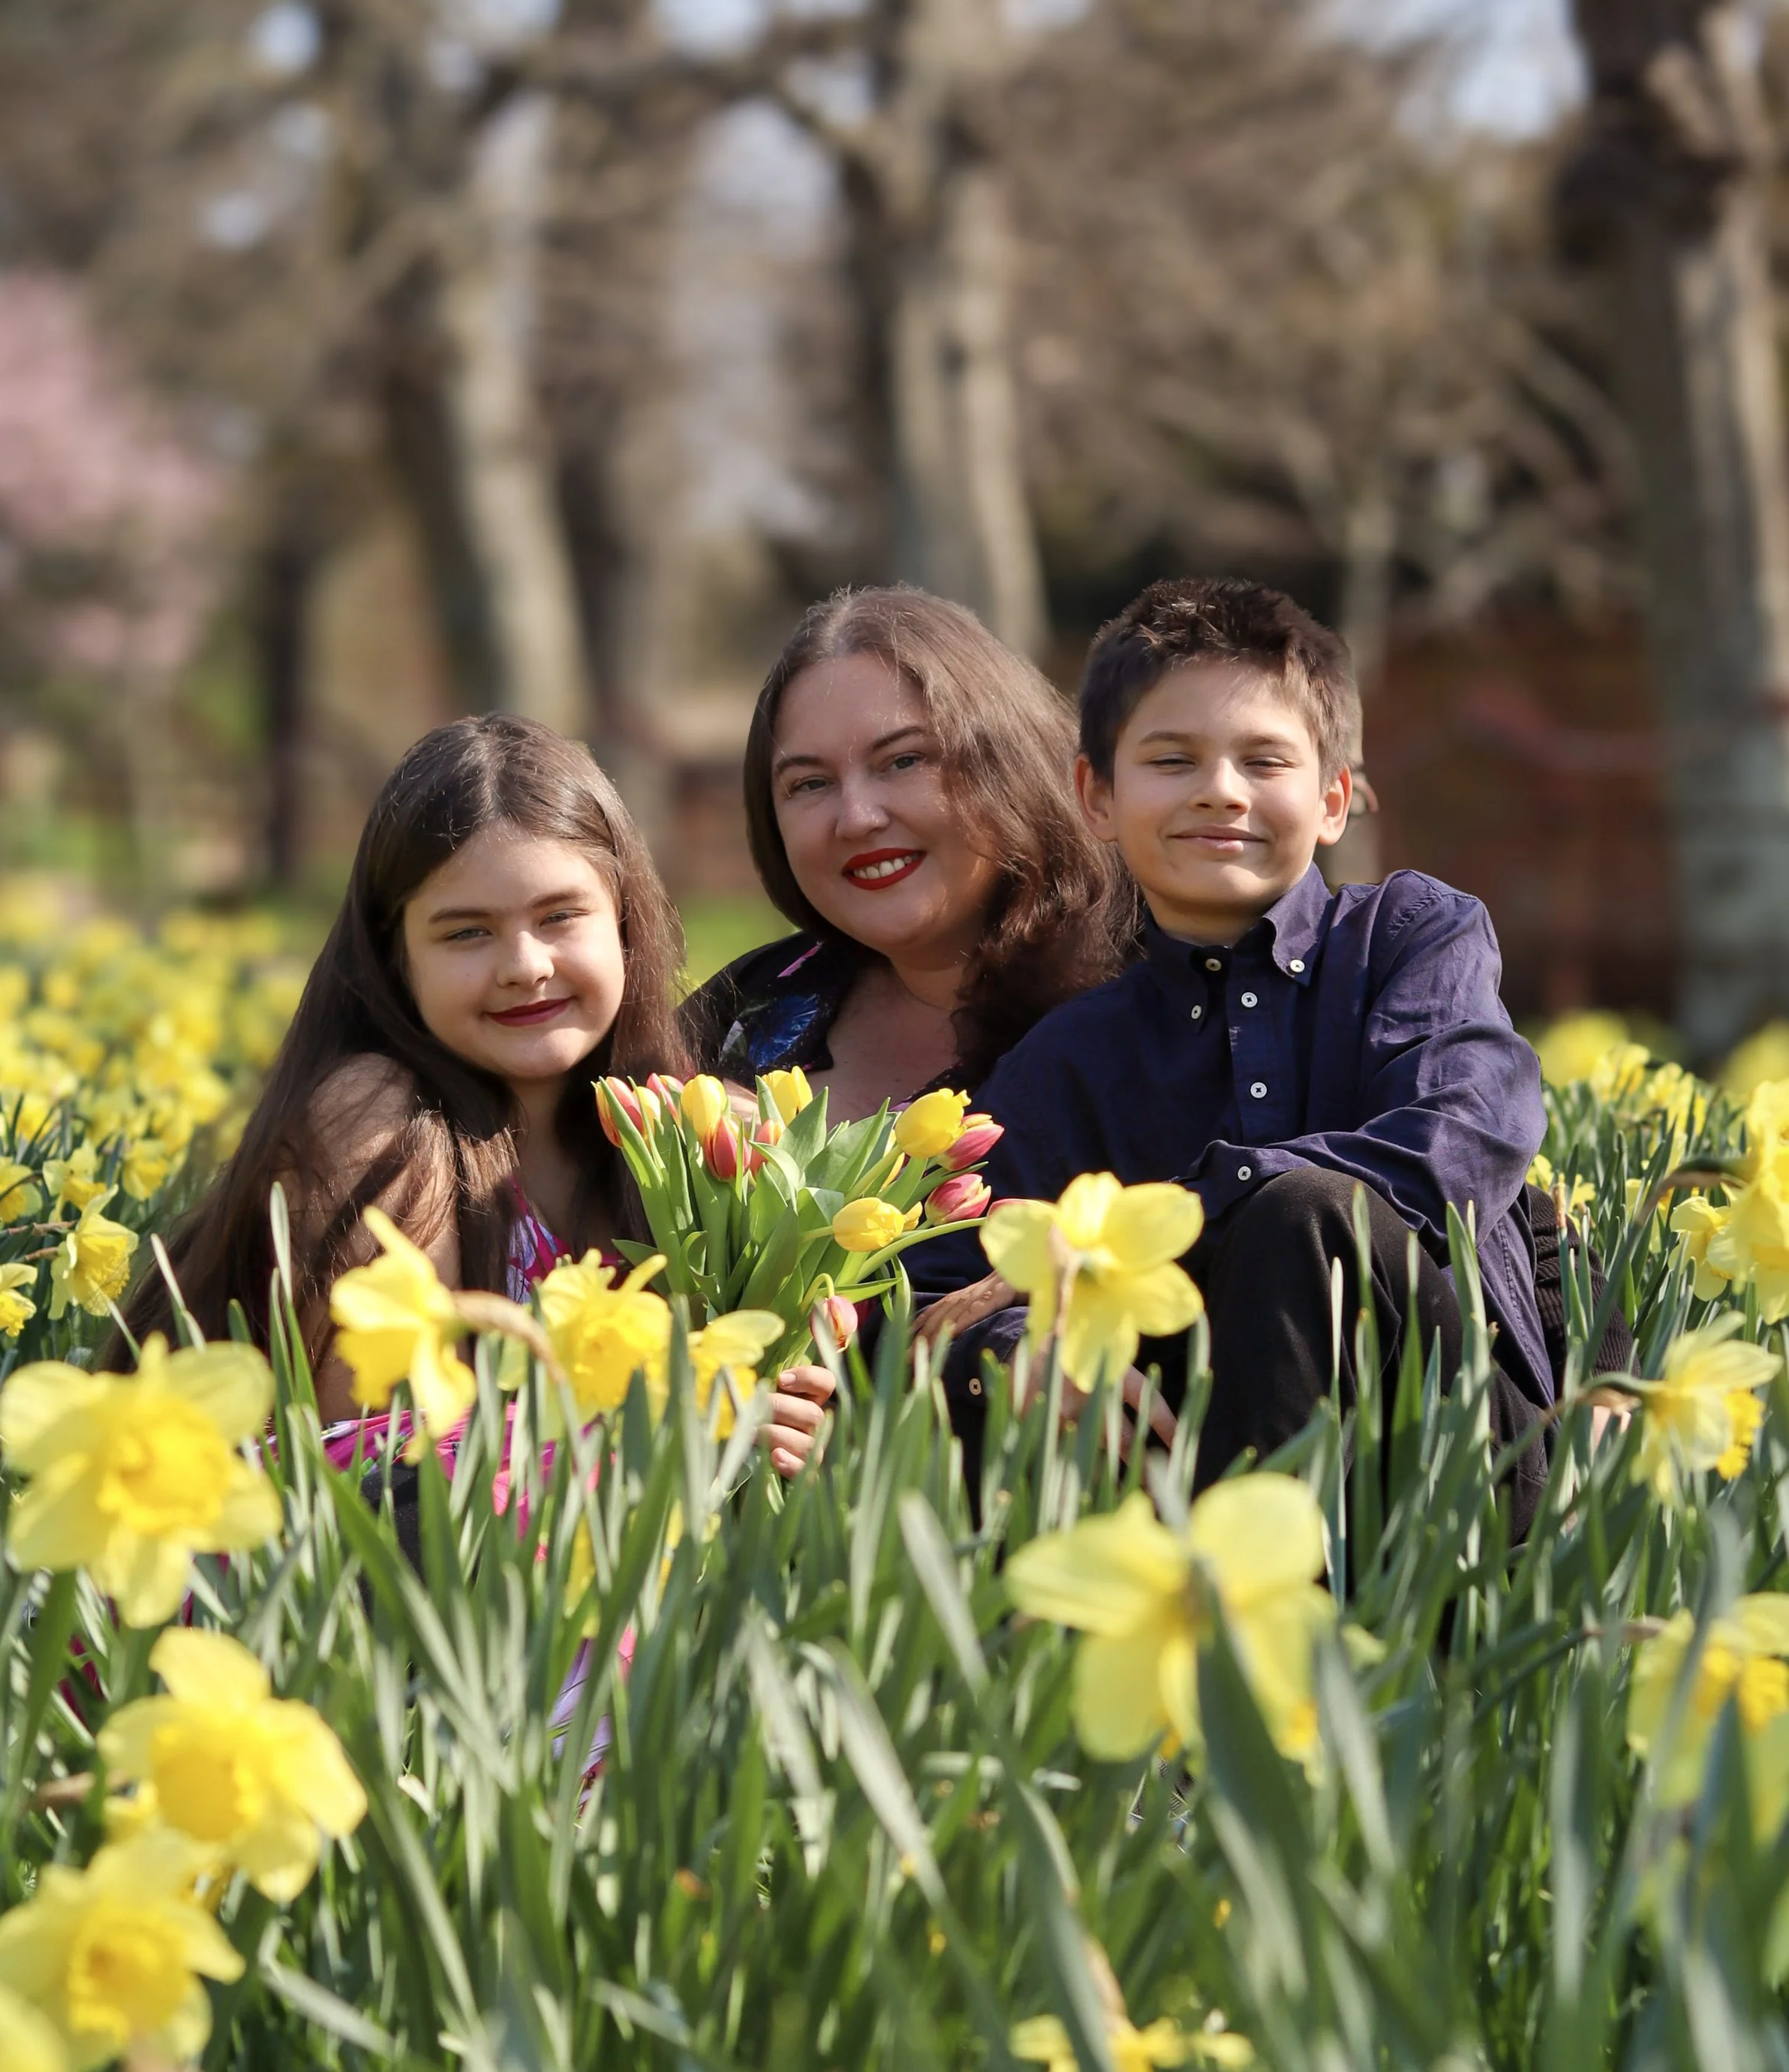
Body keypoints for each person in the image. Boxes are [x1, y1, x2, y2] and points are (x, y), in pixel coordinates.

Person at [917, 576, 1627, 1525]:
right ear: (1096, 795)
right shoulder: (1069, 1058)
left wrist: (1169, 1218)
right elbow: (956, 1285)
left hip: (1462, 1468)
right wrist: (1010, 1349)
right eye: (1172, 759)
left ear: (1334, 799)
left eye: (1264, 760)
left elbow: (1458, 1141)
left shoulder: (1410, 939)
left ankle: (1256, 1628)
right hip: (1176, 1468)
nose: (1220, 791)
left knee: (1303, 1216)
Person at [116, 713, 831, 1473]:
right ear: (398, 961)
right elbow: (379, 1470)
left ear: (624, 923)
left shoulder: (686, 1136)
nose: (524, 964)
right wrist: (666, 1433)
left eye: (559, 916)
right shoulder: (381, 1120)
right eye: (466, 933)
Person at [681, 585, 1141, 1114]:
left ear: (1012, 761)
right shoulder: (744, 1012)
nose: (857, 818)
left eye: (904, 761)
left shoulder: (1157, 999)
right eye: (810, 784)